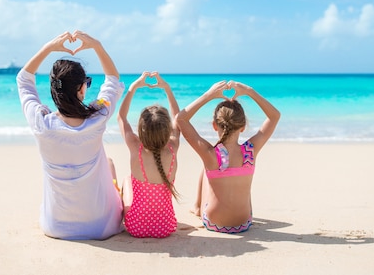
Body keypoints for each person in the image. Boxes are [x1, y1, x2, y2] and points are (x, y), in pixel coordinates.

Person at [16, 30, 125, 240]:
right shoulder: (98, 116)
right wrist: (97, 45)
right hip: (102, 226)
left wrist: (49, 47)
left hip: (55, 227)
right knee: (110, 165)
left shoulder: (42, 123)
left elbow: (24, 80)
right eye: (87, 82)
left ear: (54, 90)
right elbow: (112, 80)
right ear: (81, 90)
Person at [176, 80, 280, 234]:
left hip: (214, 222)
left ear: (214, 125)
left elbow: (180, 119)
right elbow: (274, 116)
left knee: (207, 170)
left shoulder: (210, 154)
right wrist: (249, 90)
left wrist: (208, 95)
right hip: (244, 223)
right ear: (243, 127)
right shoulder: (250, 151)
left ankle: (197, 207)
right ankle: (201, 207)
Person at [118, 71, 180, 238]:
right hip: (166, 227)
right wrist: (167, 88)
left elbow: (121, 117)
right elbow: (177, 119)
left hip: (135, 227)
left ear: (141, 130)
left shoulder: (135, 146)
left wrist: (133, 88)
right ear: (168, 131)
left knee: (126, 180)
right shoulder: (173, 148)